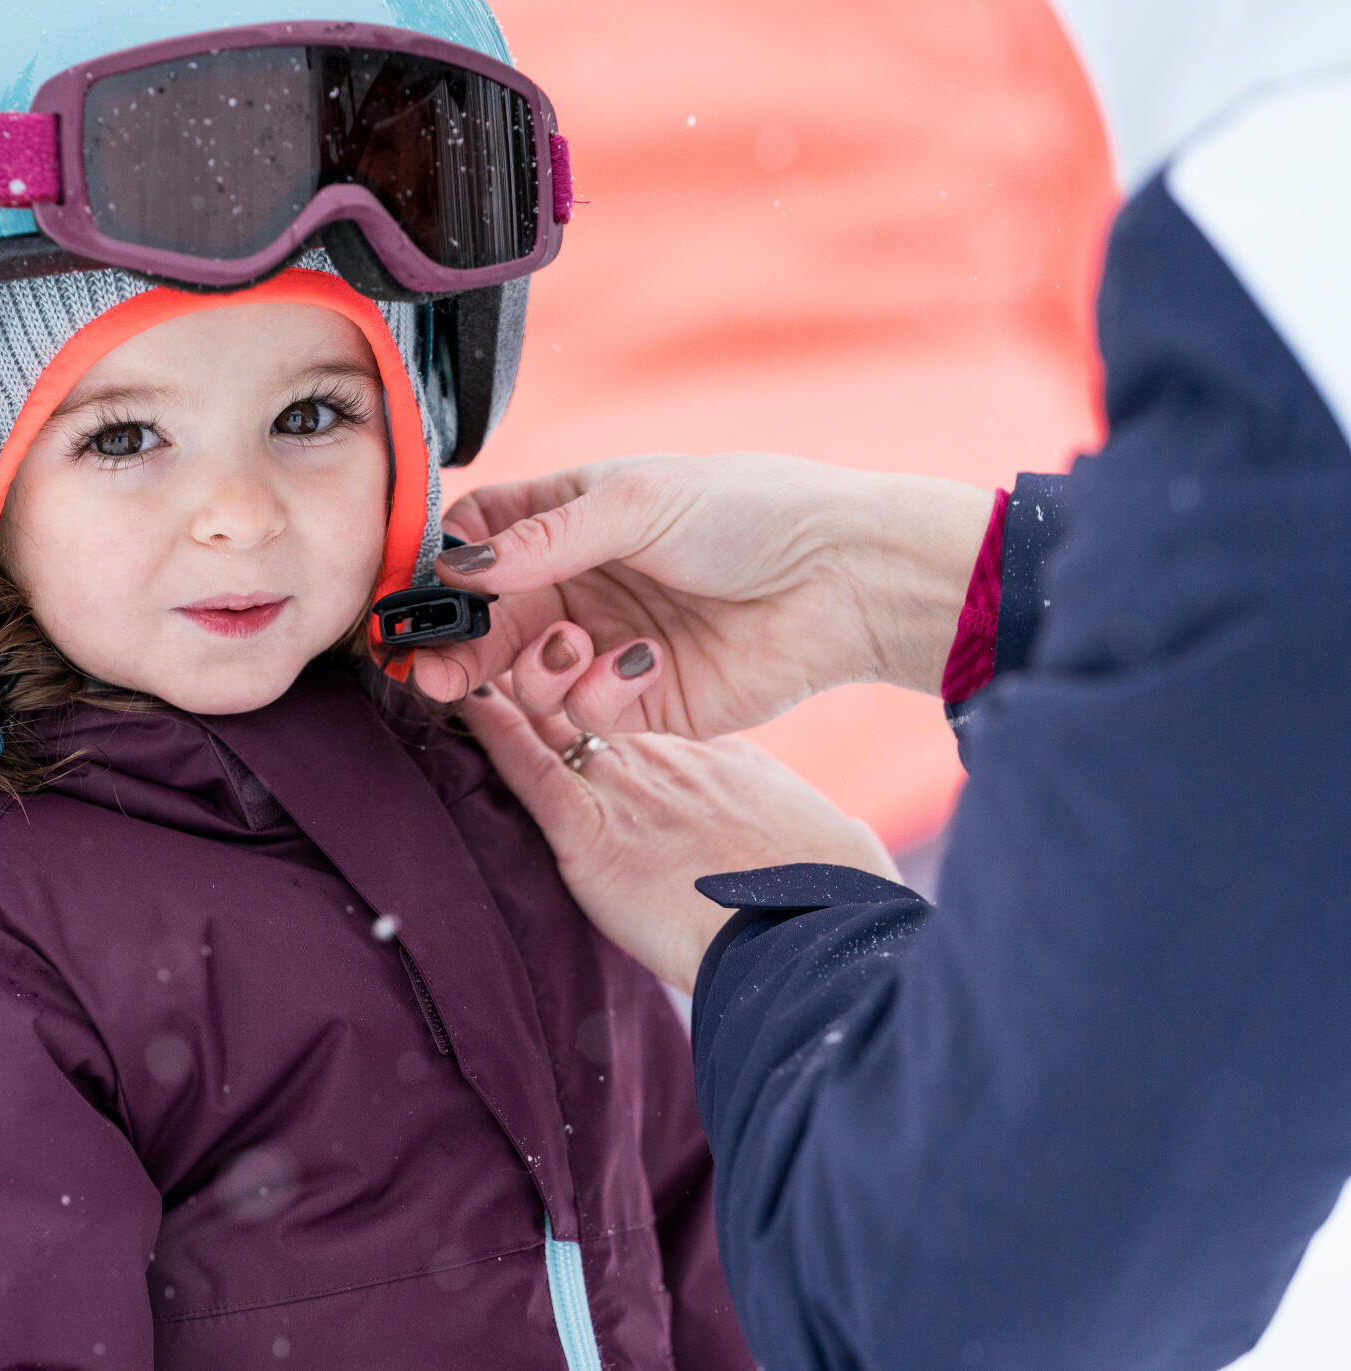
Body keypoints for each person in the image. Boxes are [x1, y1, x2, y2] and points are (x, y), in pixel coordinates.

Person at [0, 4, 763, 1367]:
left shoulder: (496, 793)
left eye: (311, 417)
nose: (238, 514)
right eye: (126, 437)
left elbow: (697, 1253)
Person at [401, 16, 1351, 1367]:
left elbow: (987, 1294)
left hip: (862, 868)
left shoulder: (1288, 215)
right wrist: (928, 583)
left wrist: (774, 911)